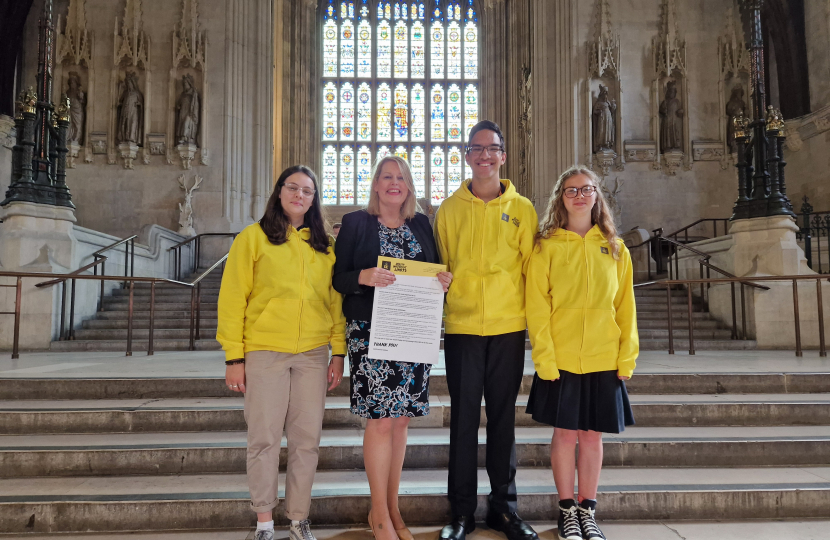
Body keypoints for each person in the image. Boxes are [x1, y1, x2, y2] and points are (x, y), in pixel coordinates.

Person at [217, 165, 346, 540]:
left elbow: (335, 303)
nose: (299, 195)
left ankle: (298, 519)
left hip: (311, 354)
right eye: (293, 188)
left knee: (307, 440)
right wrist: (234, 357)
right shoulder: (252, 239)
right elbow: (232, 298)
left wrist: (337, 352)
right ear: (279, 192)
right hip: (265, 351)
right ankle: (264, 522)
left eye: (307, 191)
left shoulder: (325, 246)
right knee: (264, 438)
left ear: (313, 199)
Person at [333, 155, 452, 540]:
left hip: (413, 333)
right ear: (376, 183)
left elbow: (432, 271)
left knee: (401, 421)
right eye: (387, 176)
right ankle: (378, 513)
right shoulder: (356, 222)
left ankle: (393, 505)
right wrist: (364, 276)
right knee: (381, 420)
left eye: (400, 177)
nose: (394, 183)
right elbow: (339, 278)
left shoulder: (421, 223)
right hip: (370, 332)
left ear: (409, 185)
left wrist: (442, 280)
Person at [434, 120, 539, 540]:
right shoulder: (448, 210)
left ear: (502, 156)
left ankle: (504, 509)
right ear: (467, 156)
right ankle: (460, 513)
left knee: (502, 422)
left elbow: (533, 271)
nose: (483, 155)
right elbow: (438, 267)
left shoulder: (524, 210)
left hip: (508, 328)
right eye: (475, 149)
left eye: (490, 148)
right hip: (461, 328)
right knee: (462, 422)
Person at [525, 166, 638, 540]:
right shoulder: (545, 246)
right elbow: (537, 308)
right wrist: (544, 357)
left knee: (592, 436)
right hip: (561, 357)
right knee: (565, 434)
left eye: (586, 189)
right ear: (561, 197)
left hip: (604, 356)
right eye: (571, 190)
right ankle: (566, 511)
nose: (579, 196)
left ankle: (587, 510)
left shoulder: (615, 248)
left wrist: (627, 357)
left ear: (596, 196)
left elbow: (626, 307)